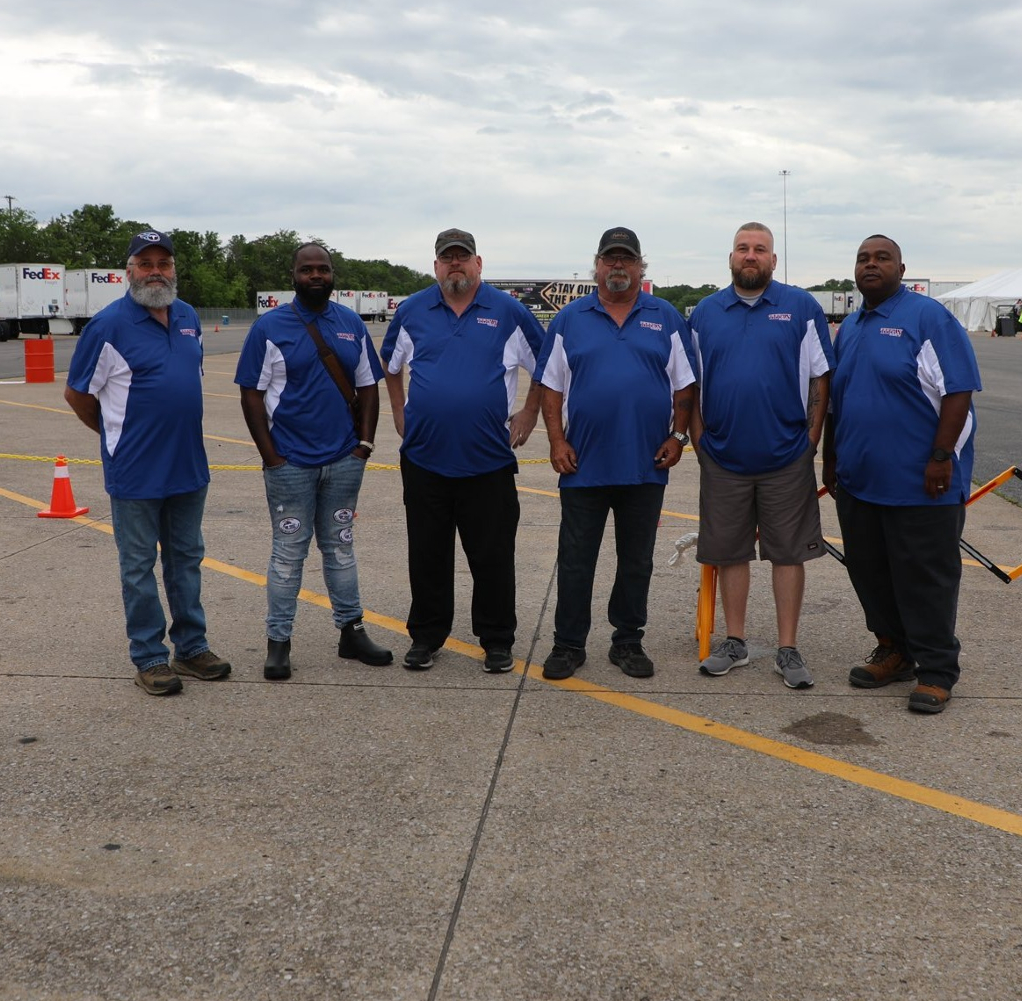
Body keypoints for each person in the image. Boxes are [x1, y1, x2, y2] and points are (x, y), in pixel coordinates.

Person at [64, 230, 231, 696]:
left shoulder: (188, 317)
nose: (156, 272)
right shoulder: (108, 326)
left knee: (186, 561)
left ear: (174, 269)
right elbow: (78, 395)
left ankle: (191, 648)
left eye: (164, 263)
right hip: (136, 472)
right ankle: (149, 656)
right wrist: (116, 437)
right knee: (138, 567)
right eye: (146, 263)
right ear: (129, 271)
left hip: (188, 465)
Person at [822, 234, 981, 714]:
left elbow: (958, 391)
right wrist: (831, 458)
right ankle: (893, 650)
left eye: (882, 258)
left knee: (925, 578)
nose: (871, 265)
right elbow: (838, 402)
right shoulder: (851, 327)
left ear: (901, 269)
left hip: (921, 482)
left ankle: (936, 670)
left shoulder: (927, 317)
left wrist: (941, 457)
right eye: (863, 259)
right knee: (869, 572)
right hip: (860, 481)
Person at [535, 227, 697, 680]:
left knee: (636, 561)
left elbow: (685, 384)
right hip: (583, 464)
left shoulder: (665, 316)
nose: (618, 266)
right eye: (611, 258)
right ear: (597, 265)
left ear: (641, 267)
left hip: (645, 464)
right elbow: (550, 385)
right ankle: (568, 644)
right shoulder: (571, 318)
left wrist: (678, 436)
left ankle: (627, 641)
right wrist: (557, 441)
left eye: (627, 258)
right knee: (576, 560)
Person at [380, 228, 545, 673]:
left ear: (478, 263)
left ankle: (497, 639)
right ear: (436, 266)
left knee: (493, 557)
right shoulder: (412, 310)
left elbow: (547, 364)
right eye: (447, 257)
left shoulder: (508, 311)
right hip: (424, 457)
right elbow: (390, 365)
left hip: (487, 460)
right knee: (427, 555)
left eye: (463, 257)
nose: (456, 264)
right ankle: (426, 636)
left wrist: (530, 411)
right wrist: (398, 409)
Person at [688, 223, 834, 688]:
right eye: (742, 248)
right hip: (723, 457)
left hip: (786, 458)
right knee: (730, 552)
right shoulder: (706, 313)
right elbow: (690, 381)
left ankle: (788, 648)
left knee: (787, 554)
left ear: (773, 259)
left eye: (760, 249)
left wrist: (810, 440)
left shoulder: (801, 307)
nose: (750, 255)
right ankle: (735, 641)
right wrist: (698, 439)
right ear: (730, 257)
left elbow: (820, 377)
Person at [235, 243, 389, 681]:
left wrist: (364, 446)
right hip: (291, 464)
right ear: (294, 275)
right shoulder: (269, 327)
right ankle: (278, 641)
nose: (316, 275)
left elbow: (368, 386)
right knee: (288, 552)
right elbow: (251, 393)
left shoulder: (351, 323)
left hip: (343, 460)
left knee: (340, 547)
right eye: (307, 270)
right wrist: (271, 457)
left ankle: (351, 631)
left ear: (333, 274)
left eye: (323, 268)